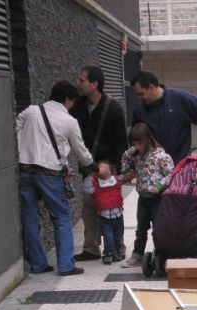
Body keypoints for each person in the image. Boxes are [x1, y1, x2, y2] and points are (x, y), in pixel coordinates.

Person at [16, 80, 94, 276]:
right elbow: (80, 150)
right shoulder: (68, 121)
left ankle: (37, 264)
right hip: (50, 174)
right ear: (68, 99)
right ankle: (66, 265)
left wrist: (24, 147)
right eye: (72, 102)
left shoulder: (30, 111)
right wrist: (90, 164)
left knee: (30, 219)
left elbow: (17, 128)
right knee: (61, 218)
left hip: (25, 171)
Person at [71, 65, 129, 262]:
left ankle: (118, 247)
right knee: (88, 208)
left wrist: (115, 171)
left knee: (111, 207)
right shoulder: (77, 107)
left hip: (108, 167)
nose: (78, 83)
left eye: (82, 80)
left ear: (94, 84)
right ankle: (91, 248)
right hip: (88, 166)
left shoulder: (114, 108)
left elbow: (121, 143)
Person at [130, 71, 197, 165]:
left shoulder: (180, 100)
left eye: (141, 94)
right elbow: (135, 141)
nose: (139, 98)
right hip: (152, 170)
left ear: (151, 88)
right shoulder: (139, 111)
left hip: (178, 166)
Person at [120, 123, 174, 268]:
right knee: (141, 228)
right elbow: (125, 157)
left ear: (147, 139)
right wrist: (126, 172)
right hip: (143, 197)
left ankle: (161, 254)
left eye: (139, 143)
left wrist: (159, 186)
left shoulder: (161, 156)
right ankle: (137, 255)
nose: (136, 146)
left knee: (158, 229)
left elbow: (170, 174)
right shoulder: (135, 153)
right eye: (134, 144)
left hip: (158, 199)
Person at [82, 161, 133, 264]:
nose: (103, 170)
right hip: (104, 217)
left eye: (106, 169)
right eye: (100, 168)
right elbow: (87, 189)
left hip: (118, 215)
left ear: (111, 171)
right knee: (108, 237)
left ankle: (117, 251)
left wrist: (131, 172)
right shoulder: (95, 182)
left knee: (118, 236)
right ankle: (109, 254)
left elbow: (126, 177)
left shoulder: (116, 179)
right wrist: (90, 175)